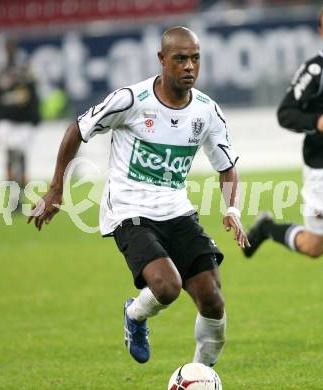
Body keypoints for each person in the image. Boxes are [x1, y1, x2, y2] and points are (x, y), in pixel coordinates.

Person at [28, 26, 249, 366]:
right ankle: (135, 314)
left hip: (177, 210)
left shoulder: (206, 112)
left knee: (213, 301)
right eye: (180, 59)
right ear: (162, 60)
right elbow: (77, 129)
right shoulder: (131, 100)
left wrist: (232, 210)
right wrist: (56, 189)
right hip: (130, 211)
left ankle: (199, 377)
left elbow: (227, 166)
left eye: (195, 59)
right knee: (166, 287)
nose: (189, 66)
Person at [243, 9, 323, 259]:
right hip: (320, 165)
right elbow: (286, 113)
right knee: (314, 247)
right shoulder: (315, 71)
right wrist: (317, 121)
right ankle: (267, 228)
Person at [0, 38, 41, 208]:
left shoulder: (25, 68)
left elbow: (34, 92)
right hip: (5, 120)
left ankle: (19, 194)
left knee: (20, 157)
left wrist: (36, 115)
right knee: (10, 154)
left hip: (23, 121)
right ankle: (13, 194)